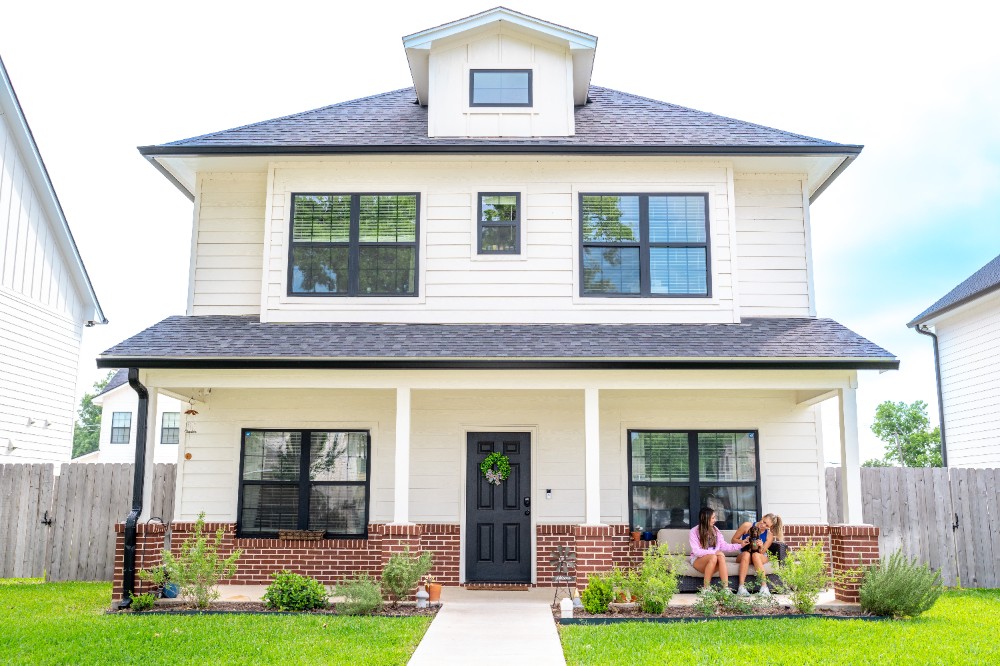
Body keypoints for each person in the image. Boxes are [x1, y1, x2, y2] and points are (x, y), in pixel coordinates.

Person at [689, 506, 743, 590]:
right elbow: (696, 551)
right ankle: (706, 588)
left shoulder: (715, 530)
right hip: (698, 560)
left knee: (720, 557)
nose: (715, 520)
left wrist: (741, 545)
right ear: (706, 518)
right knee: (715, 556)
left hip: (713, 561)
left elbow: (724, 546)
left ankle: (725, 589)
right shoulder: (694, 531)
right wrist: (714, 552)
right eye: (713, 518)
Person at [730, 513, 783, 596]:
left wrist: (761, 545)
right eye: (764, 521)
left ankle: (764, 588)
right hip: (745, 554)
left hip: (759, 555)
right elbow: (733, 540)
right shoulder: (747, 525)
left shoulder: (769, 535)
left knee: (755, 555)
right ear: (762, 517)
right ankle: (741, 588)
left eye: (767, 525)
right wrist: (743, 542)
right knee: (747, 554)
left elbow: (762, 552)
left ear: (770, 527)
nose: (763, 525)